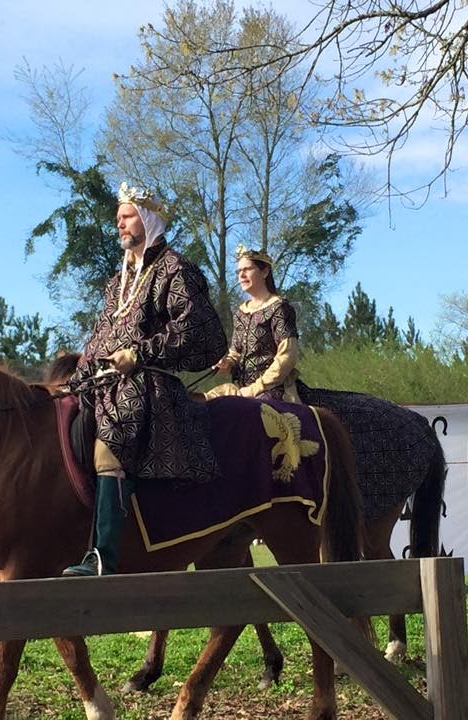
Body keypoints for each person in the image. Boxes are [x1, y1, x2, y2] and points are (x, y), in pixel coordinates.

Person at [62, 182, 227, 577]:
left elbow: (197, 330)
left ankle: (102, 557)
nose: (119, 223)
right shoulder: (117, 282)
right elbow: (99, 336)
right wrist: (77, 376)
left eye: (127, 216)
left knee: (110, 443)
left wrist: (139, 353)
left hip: (148, 385)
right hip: (102, 383)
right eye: (118, 217)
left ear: (148, 218)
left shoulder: (175, 269)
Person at [205, 245, 301, 403]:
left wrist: (255, 388)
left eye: (247, 269)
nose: (241, 275)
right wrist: (225, 363)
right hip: (241, 389)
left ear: (264, 272)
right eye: (238, 271)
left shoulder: (279, 307)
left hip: (273, 390)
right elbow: (235, 353)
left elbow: (287, 356)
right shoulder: (240, 313)